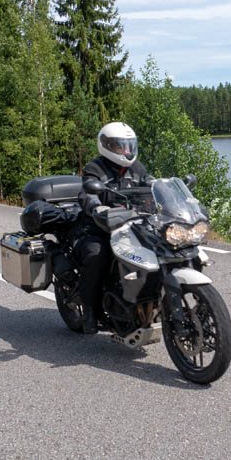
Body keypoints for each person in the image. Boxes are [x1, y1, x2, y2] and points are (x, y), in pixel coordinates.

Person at [74, 121, 153, 334]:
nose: (126, 151)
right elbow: (87, 194)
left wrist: (162, 191)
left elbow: (150, 184)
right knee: (96, 255)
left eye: (129, 146)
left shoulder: (136, 168)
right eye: (120, 146)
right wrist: (96, 208)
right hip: (98, 228)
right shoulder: (95, 168)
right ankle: (90, 310)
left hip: (131, 225)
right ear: (107, 146)